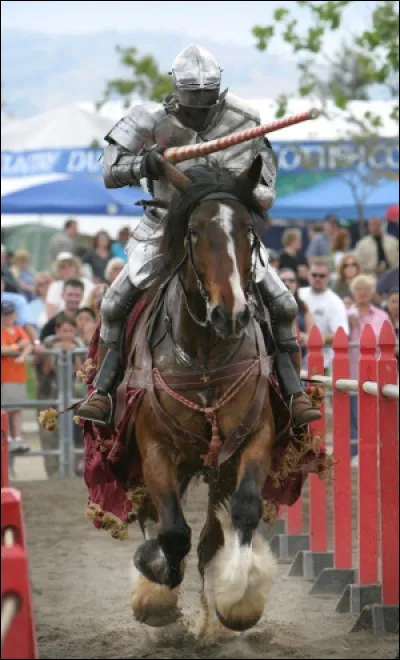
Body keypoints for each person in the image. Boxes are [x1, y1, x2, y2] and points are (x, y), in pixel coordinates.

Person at [77, 43, 321, 430]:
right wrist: (146, 162)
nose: (201, 108)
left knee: (283, 302)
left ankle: (293, 392)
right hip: (163, 229)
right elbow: (110, 170)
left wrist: (227, 193)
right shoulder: (147, 118)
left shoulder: (246, 119)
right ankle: (105, 391)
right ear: (177, 90)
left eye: (208, 99)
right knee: (114, 302)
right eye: (194, 100)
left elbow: (266, 189)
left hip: (225, 229)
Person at [1, 300, 32, 454]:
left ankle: (17, 438)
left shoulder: (18, 329)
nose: (7, 317)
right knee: (6, 409)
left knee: (17, 409)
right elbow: (3, 349)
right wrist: (17, 347)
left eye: (10, 314)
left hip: (18, 376)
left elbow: (28, 344)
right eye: (4, 314)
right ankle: (7, 438)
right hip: (5, 377)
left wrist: (22, 355)